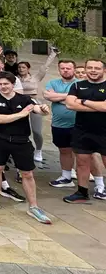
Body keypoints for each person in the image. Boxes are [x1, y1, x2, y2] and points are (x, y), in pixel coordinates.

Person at [0, 72, 52, 224]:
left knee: (27, 173)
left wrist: (44, 109)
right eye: (0, 84)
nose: (3, 87)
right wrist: (20, 114)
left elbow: (38, 109)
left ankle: (33, 207)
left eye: (6, 84)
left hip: (21, 141)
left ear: (13, 84)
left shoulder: (25, 99)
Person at [64, 59, 106, 203]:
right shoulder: (77, 85)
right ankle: (82, 192)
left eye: (97, 68)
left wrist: (83, 101)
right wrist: (97, 106)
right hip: (82, 131)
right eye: (90, 68)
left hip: (104, 132)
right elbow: (69, 104)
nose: (93, 71)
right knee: (82, 163)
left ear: (104, 70)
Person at [15, 48, 57, 164]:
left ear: (28, 69)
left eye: (23, 67)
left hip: (34, 103)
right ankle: (22, 150)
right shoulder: (15, 79)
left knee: (37, 131)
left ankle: (38, 150)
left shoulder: (35, 77)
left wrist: (52, 54)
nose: (21, 69)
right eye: (19, 67)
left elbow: (45, 67)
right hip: (19, 105)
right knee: (20, 130)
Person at [44, 59, 80, 188]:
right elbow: (48, 96)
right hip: (59, 124)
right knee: (64, 150)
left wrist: (58, 97)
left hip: (79, 124)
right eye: (62, 68)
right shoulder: (52, 83)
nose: (65, 70)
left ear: (74, 69)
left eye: (68, 68)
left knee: (84, 153)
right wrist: (70, 97)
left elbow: (80, 101)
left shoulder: (81, 84)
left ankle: (94, 181)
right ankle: (66, 177)